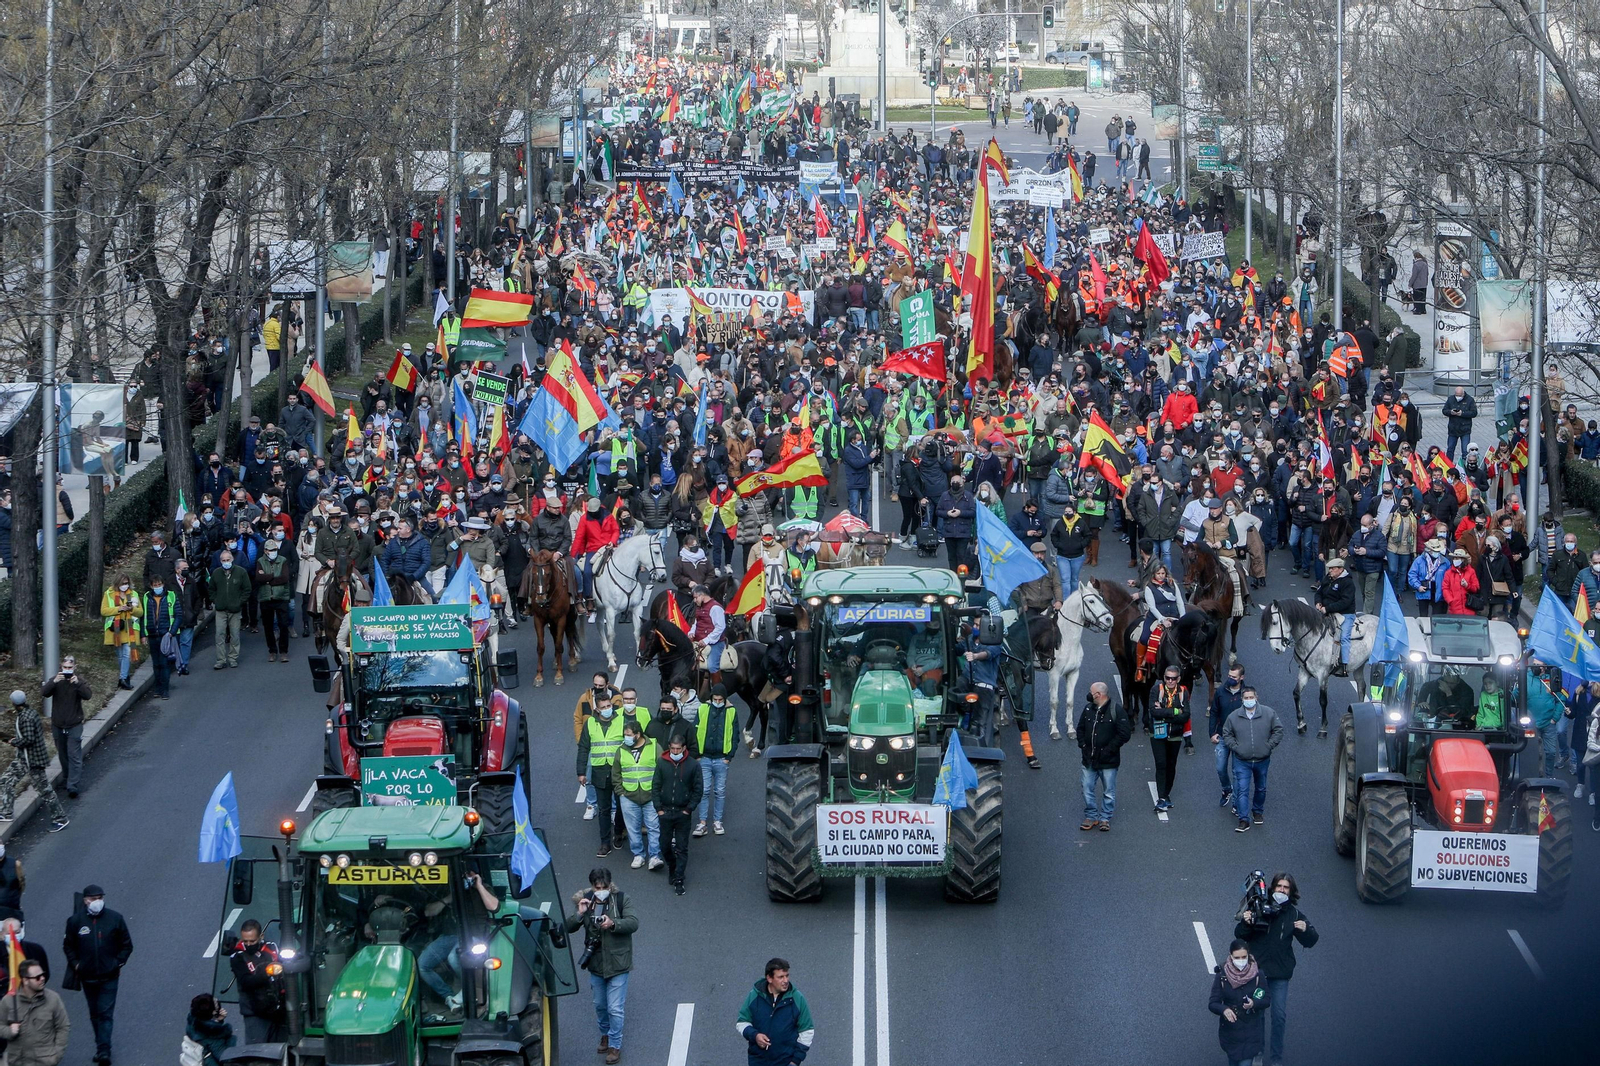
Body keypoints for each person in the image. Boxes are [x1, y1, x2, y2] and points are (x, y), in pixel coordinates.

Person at [1235, 873, 1318, 1066]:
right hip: (1258, 974)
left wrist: (1306, 930)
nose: (1282, 890)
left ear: (1291, 891)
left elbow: (1311, 940)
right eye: (1279, 886)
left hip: (1280, 975)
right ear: (1272, 888)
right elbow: (1240, 934)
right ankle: (1258, 1053)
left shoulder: (1294, 915)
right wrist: (1246, 922)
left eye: (1286, 887)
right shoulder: (1258, 908)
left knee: (1279, 1016)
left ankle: (1276, 1059)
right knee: (1258, 1013)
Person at [562, 868, 637, 1065]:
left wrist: (613, 924)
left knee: (615, 1008)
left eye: (604, 887)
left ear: (610, 886)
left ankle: (614, 1045)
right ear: (592, 886)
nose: (601, 891)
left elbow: (633, 923)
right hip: (596, 963)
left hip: (618, 963)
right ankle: (605, 1034)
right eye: (597, 888)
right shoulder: (586, 901)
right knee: (600, 1006)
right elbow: (567, 927)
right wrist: (580, 913)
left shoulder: (621, 900)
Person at [63, 884, 132, 1066]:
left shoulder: (115, 918)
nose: (97, 902)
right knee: (94, 1013)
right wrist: (76, 964)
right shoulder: (75, 921)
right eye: (93, 899)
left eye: (100, 898)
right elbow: (68, 946)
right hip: (88, 977)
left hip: (110, 976)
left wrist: (117, 963)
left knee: (105, 1013)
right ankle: (101, 1045)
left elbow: (127, 945)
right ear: (85, 900)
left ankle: (104, 1051)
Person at [0, 693, 68, 832]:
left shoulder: (26, 717)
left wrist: (12, 741)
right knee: (5, 781)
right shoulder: (30, 712)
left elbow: (28, 740)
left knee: (45, 791)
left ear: (14, 703)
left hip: (33, 761)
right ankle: (6, 812)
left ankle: (60, 819)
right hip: (23, 759)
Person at [1222, 686, 1284, 831]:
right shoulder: (1233, 717)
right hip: (1242, 760)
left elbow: (1278, 730)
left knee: (1261, 788)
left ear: (1256, 698)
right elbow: (1226, 734)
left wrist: (1269, 746)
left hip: (1262, 760)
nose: (1249, 700)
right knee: (1242, 790)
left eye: (1251, 697)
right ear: (1242, 700)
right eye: (1246, 698)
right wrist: (1236, 747)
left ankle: (1257, 811)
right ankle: (1243, 819)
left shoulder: (1269, 713)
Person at [736, 958, 816, 1066]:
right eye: (781, 977)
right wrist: (755, 1035)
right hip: (758, 1061)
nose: (786, 981)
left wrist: (795, 1061)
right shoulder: (754, 996)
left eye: (787, 976)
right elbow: (742, 1022)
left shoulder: (797, 999)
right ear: (769, 978)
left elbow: (807, 1031)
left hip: (785, 1062)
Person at [1075, 682, 1133, 831]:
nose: (1089, 694)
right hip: (1089, 759)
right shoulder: (1088, 709)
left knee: (1108, 791)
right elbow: (1080, 728)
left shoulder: (1116, 710)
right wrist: (1083, 745)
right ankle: (1091, 816)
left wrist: (1108, 750)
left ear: (1098, 695)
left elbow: (1124, 734)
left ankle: (1105, 818)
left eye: (1091, 692)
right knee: (1086, 787)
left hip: (1108, 761)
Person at [577, 695, 627, 857]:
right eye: (603, 707)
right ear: (597, 709)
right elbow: (583, 748)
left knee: (622, 807)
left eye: (609, 706)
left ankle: (618, 833)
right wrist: (581, 772)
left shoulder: (622, 720)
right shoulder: (590, 723)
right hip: (600, 772)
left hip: (619, 771)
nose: (607, 709)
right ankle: (605, 843)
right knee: (604, 809)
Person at [651, 733, 702, 895]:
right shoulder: (661, 763)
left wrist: (688, 809)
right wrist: (659, 809)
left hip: (682, 813)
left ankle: (679, 879)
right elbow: (655, 786)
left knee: (682, 847)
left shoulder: (693, 765)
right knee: (664, 845)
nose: (675, 751)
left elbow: (698, 789)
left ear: (684, 748)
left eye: (678, 749)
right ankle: (672, 866)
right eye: (672, 748)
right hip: (665, 812)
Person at [612, 721, 664, 872]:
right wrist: (621, 792)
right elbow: (616, 773)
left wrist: (658, 791)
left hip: (651, 795)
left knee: (653, 826)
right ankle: (638, 855)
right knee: (632, 828)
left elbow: (662, 769)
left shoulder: (654, 747)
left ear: (638, 734)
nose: (626, 738)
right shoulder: (621, 750)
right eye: (625, 735)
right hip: (628, 796)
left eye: (628, 735)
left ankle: (654, 856)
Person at [1208, 941, 1269, 1066]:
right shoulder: (1222, 976)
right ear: (1230, 956)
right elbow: (1213, 1003)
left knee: (1245, 1062)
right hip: (1231, 1032)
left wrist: (1254, 1003)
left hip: (1251, 1030)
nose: (1241, 961)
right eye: (1237, 957)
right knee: (1233, 1061)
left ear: (1248, 955)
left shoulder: (1258, 974)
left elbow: (1266, 999)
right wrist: (1224, 1009)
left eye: (1244, 957)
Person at [0, 958, 69, 1066]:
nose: (42, 979)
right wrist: (9, 1031)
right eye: (37, 977)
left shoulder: (53, 999)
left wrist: (57, 1054)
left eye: (43, 975)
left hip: (45, 1062)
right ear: (25, 980)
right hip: (17, 1062)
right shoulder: (8, 1001)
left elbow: (63, 1027)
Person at [227, 919, 286, 1043]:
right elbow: (245, 982)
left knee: (282, 1046)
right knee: (257, 1048)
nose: (248, 945)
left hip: (278, 1009)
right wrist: (266, 973)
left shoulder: (272, 948)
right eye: (245, 941)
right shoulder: (238, 956)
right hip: (255, 1012)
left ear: (261, 936)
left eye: (252, 941)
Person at [41, 656, 88, 799]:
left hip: (74, 724)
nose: (67, 670)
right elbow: (44, 693)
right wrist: (54, 682)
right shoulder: (56, 680)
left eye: (70, 668)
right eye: (65, 667)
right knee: (62, 754)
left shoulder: (79, 681)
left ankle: (73, 785)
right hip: (58, 724)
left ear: (75, 667)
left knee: (74, 755)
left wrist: (77, 684)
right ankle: (67, 777)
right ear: (61, 667)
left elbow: (88, 695)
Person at [695, 684, 738, 836]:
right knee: (704, 791)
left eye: (720, 700)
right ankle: (702, 823)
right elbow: (695, 731)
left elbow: (735, 736)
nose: (718, 702)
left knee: (719, 792)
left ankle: (717, 821)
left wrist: (729, 756)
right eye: (715, 699)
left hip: (721, 758)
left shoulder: (731, 711)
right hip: (704, 757)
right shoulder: (703, 709)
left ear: (725, 699)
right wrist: (697, 755)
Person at [1146, 669, 1189, 812]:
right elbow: (1153, 711)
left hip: (1175, 734)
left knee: (1171, 764)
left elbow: (1186, 715)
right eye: (1167, 678)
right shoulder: (1156, 690)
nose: (1170, 681)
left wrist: (1163, 711)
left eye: (1173, 678)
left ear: (1178, 679)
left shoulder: (1183, 692)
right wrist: (1175, 711)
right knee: (1161, 763)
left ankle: (1166, 794)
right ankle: (1161, 798)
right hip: (1157, 734)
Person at [1208, 663, 1247, 810]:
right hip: (1223, 736)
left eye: (1234, 677)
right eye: (1229, 675)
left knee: (1237, 772)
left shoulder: (1247, 694)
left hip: (1239, 739)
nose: (1230, 678)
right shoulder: (1221, 692)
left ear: (1241, 678)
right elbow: (1214, 712)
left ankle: (1236, 803)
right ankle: (1226, 789)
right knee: (1220, 768)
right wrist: (1212, 733)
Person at [1314, 556, 1357, 675]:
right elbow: (1319, 592)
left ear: (1340, 569)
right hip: (1327, 611)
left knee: (1344, 636)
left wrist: (1327, 608)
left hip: (1345, 614)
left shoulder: (1348, 583)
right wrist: (1318, 602)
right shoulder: (1327, 578)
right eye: (1329, 569)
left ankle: (1344, 665)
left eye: (1333, 569)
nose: (1330, 571)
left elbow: (1345, 602)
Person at [254, 535, 295, 662]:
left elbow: (285, 578)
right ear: (265, 551)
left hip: (281, 596)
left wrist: (268, 579)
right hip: (266, 598)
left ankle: (283, 651)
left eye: (275, 550)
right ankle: (272, 650)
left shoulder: (283, 560)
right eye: (271, 550)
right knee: (268, 626)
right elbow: (258, 578)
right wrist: (273, 576)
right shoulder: (260, 561)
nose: (273, 552)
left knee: (283, 625)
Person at [208, 549, 251, 669]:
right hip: (220, 610)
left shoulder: (241, 572)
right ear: (220, 561)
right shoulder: (216, 573)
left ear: (232, 559)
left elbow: (247, 589)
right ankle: (220, 660)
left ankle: (233, 658)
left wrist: (239, 602)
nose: (226, 562)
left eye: (228, 560)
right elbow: (211, 589)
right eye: (223, 560)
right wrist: (216, 601)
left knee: (235, 635)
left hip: (235, 610)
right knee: (219, 635)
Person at [99, 576, 142, 690]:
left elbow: (140, 612)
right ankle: (125, 678)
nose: (125, 585)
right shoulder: (109, 594)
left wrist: (132, 609)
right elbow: (104, 611)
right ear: (117, 584)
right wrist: (119, 609)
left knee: (127, 654)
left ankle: (122, 679)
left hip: (130, 629)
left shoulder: (134, 594)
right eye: (122, 583)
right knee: (120, 656)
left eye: (126, 583)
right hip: (116, 630)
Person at [144, 574, 181, 699]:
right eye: (155, 585)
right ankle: (158, 688)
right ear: (151, 586)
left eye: (159, 584)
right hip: (152, 634)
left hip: (165, 635)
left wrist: (171, 632)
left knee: (164, 663)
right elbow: (144, 616)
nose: (157, 587)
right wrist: (144, 634)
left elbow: (178, 615)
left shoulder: (171, 596)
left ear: (163, 584)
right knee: (156, 664)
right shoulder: (147, 597)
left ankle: (165, 689)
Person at [185, 994, 236, 1066]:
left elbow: (209, 1027)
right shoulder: (212, 1037)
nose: (217, 1001)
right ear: (214, 1012)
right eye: (216, 1003)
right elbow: (226, 1058)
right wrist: (231, 1039)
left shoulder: (194, 1021)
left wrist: (217, 1022)